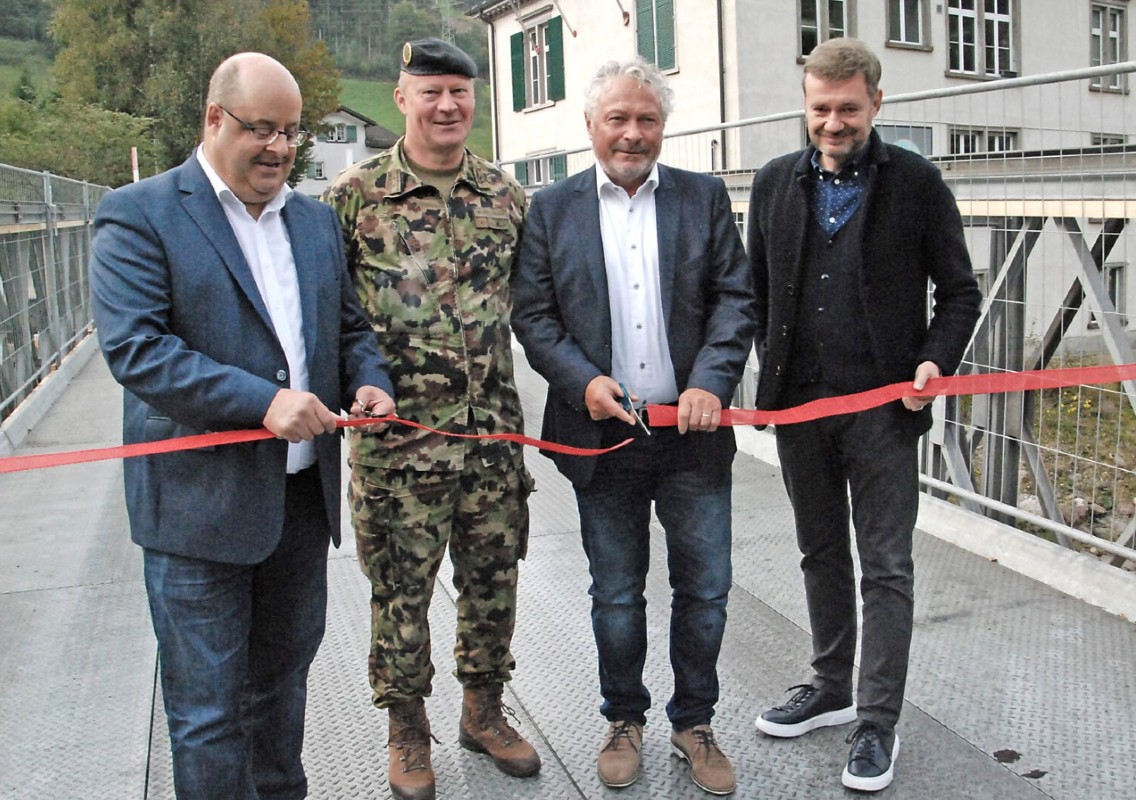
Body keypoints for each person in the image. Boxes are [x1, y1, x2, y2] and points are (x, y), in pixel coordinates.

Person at [89, 53, 395, 800]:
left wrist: (368, 380)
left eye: (293, 132)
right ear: (214, 120)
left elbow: (348, 327)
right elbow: (139, 350)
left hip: (295, 508)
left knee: (282, 693)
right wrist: (263, 401)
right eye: (263, 129)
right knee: (205, 715)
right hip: (198, 516)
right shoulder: (140, 214)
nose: (282, 149)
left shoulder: (315, 221)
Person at [512, 58, 756, 797]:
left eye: (646, 118)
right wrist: (581, 381)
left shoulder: (703, 198)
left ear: (662, 127)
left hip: (692, 438)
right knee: (616, 592)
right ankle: (624, 719)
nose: (632, 132)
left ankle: (695, 723)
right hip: (603, 437)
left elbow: (734, 300)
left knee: (705, 588)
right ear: (590, 126)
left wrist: (712, 381)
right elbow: (534, 313)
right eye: (617, 118)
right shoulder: (551, 209)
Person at [746, 38, 982, 792]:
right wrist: (769, 374)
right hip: (798, 409)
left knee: (885, 565)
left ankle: (876, 720)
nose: (833, 122)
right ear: (806, 106)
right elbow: (756, 291)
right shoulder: (775, 183)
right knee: (819, 551)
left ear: (876, 104)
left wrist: (934, 363)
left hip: (883, 410)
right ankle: (830, 684)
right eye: (820, 109)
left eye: (848, 108)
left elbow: (961, 292)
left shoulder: (917, 182)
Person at [322, 38, 539, 800]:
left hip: (491, 439)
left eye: (459, 91)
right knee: (400, 592)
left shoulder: (507, 199)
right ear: (401, 99)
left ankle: (484, 712)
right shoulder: (352, 200)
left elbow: (539, 307)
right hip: (397, 447)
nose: (448, 106)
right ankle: (407, 731)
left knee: (493, 582)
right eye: (431, 92)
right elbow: (330, 318)